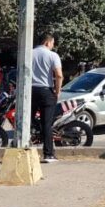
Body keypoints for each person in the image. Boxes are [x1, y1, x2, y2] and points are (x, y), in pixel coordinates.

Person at [31, 34, 63, 163]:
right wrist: (57, 91)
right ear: (47, 42)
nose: (53, 46)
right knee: (47, 124)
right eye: (53, 43)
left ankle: (25, 148)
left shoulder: (29, 53)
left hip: (30, 91)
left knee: (28, 121)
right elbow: (59, 75)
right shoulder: (52, 55)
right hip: (46, 91)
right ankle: (48, 154)